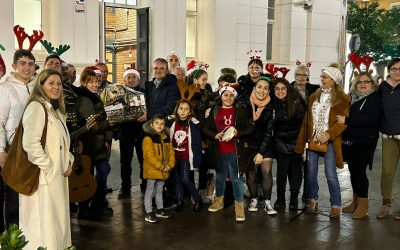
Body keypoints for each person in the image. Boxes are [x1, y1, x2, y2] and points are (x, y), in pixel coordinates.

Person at [19, 69, 73, 250]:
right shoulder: (37, 107)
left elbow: (63, 141)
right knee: (45, 225)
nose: (56, 87)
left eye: (58, 84)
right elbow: (30, 144)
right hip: (44, 178)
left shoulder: (54, 109)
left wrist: (69, 160)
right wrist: (49, 167)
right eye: (51, 83)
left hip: (57, 176)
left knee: (57, 222)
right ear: (41, 85)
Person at [295, 65, 349, 219]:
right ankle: (313, 199)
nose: (322, 79)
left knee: (330, 174)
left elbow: (342, 123)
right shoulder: (314, 95)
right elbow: (307, 121)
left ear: (334, 80)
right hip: (312, 141)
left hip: (330, 142)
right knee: (310, 173)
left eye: (325, 77)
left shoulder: (342, 98)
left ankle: (336, 204)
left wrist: (329, 134)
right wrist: (301, 143)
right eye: (322, 77)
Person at [203, 85, 254, 222]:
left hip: (234, 151)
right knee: (220, 176)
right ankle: (219, 201)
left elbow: (250, 128)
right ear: (221, 96)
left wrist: (239, 133)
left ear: (235, 97)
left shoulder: (240, 111)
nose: (228, 98)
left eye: (231, 95)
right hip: (219, 150)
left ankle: (239, 206)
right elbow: (205, 128)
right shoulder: (214, 110)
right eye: (225, 95)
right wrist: (215, 135)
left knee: (236, 179)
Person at [336, 72, 381, 219]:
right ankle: (355, 201)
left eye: (366, 82)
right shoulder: (351, 97)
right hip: (350, 141)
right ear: (355, 83)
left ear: (372, 84)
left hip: (364, 142)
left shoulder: (375, 98)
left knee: (360, 173)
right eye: (360, 82)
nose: (363, 84)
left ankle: (363, 205)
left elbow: (369, 119)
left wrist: (347, 120)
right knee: (353, 172)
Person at [0, 49, 36, 229]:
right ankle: (13, 239)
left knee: (31, 196)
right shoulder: (5, 89)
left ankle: (31, 235)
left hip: (34, 151)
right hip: (12, 149)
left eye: (30, 64)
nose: (26, 68)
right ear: (14, 66)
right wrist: (0, 151)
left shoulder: (38, 87)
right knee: (13, 196)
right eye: (22, 63)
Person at [75, 67, 113, 221]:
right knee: (90, 176)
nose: (95, 84)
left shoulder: (94, 96)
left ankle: (96, 205)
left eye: (97, 81)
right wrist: (109, 121)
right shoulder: (85, 99)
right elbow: (94, 126)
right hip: (89, 145)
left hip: (98, 145)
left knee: (102, 171)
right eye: (91, 81)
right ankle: (86, 209)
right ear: (84, 81)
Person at [271, 78, 306, 210]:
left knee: (295, 171)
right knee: (282, 171)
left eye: (283, 88)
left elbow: (303, 125)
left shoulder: (297, 102)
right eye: (277, 89)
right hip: (280, 141)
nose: (280, 91)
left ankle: (294, 199)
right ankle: (280, 199)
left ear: (288, 89)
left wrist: (302, 143)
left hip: (296, 141)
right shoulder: (272, 103)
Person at [245, 77, 276, 214]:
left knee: (266, 171)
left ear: (269, 91)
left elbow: (269, 132)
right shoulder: (244, 103)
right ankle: (254, 199)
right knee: (251, 172)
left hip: (266, 143)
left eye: (265, 88)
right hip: (249, 144)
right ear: (254, 88)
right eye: (259, 87)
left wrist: (261, 152)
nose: (262, 90)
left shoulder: (271, 106)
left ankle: (268, 201)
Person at [377, 57, 400, 219]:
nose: (397, 72)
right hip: (388, 136)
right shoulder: (382, 88)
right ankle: (386, 205)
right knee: (387, 171)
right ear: (389, 70)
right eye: (394, 69)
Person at [118, 68, 147, 198]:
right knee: (125, 162)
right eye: (128, 77)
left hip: (142, 132)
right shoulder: (119, 94)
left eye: (133, 77)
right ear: (124, 80)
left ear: (138, 79)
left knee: (144, 160)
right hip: (125, 132)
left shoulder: (146, 94)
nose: (131, 80)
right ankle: (125, 186)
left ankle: (145, 184)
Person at [170, 100, 202, 212]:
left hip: (186, 157)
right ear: (177, 110)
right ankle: (180, 201)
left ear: (190, 112)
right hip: (175, 157)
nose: (183, 111)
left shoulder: (193, 125)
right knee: (177, 180)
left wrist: (197, 161)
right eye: (181, 108)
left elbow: (197, 145)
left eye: (186, 109)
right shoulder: (173, 124)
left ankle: (198, 199)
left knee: (185, 179)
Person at [142, 114, 175, 223]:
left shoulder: (166, 138)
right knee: (150, 190)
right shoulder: (148, 138)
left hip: (164, 170)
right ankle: (148, 212)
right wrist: (161, 167)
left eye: (162, 123)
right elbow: (149, 157)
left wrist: (170, 165)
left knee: (160, 189)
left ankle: (160, 210)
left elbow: (171, 152)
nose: (159, 126)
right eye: (157, 123)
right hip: (153, 170)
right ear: (151, 125)